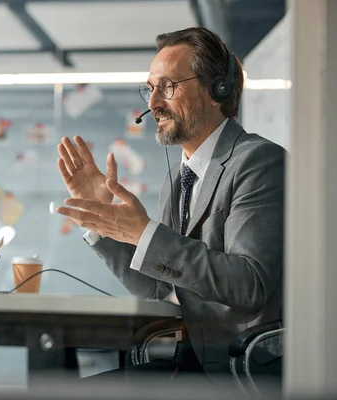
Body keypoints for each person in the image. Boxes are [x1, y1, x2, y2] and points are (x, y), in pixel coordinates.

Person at [55, 27, 285, 380]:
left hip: (237, 370)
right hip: (190, 360)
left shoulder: (258, 162)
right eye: (150, 89)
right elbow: (161, 289)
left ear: (215, 90)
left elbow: (249, 284)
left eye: (167, 86)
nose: (152, 104)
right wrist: (103, 226)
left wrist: (145, 233)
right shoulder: (178, 179)